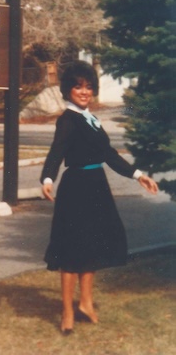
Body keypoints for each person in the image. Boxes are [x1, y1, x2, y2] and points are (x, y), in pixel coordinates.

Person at [40, 60, 158, 335]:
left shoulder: (90, 119)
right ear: (68, 89)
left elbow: (108, 154)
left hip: (96, 187)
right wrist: (47, 179)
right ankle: (68, 312)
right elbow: (56, 152)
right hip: (75, 188)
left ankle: (87, 303)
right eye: (78, 87)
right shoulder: (68, 120)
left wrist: (138, 174)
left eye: (88, 87)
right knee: (71, 249)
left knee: (91, 246)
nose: (84, 92)